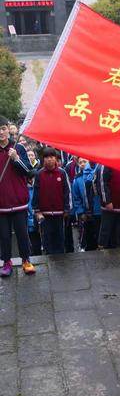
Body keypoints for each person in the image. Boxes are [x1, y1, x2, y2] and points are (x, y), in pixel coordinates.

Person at [0, 116, 35, 276]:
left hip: (19, 200)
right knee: (4, 237)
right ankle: (6, 262)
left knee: (22, 233)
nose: (1, 132)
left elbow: (28, 171)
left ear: (8, 129)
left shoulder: (18, 148)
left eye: (3, 128)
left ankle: (26, 260)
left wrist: (16, 158)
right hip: (2, 203)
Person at [32, 148, 71, 255]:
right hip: (45, 213)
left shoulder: (62, 173)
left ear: (56, 159)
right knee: (47, 237)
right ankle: (49, 256)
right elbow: (36, 191)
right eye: (47, 157)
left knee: (59, 236)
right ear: (43, 159)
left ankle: (60, 256)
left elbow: (67, 191)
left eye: (51, 157)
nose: (49, 160)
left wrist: (67, 208)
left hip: (60, 212)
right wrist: (36, 209)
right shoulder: (39, 174)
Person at [95, 165, 120, 249]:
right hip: (110, 206)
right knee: (106, 230)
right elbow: (102, 184)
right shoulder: (104, 165)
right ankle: (102, 250)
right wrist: (107, 201)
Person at [72, 158, 101, 251]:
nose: (82, 164)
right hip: (86, 212)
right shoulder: (77, 179)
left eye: (85, 161)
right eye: (80, 162)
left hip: (99, 211)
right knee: (88, 236)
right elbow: (76, 198)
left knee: (99, 234)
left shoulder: (97, 173)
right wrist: (80, 212)